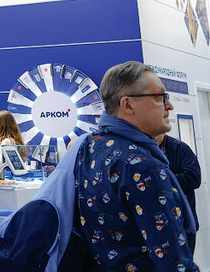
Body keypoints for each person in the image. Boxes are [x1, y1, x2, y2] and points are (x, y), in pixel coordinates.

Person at [76, 62, 196, 270]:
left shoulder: (90, 147)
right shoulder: (143, 167)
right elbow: (174, 262)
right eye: (159, 97)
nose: (169, 106)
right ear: (128, 105)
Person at [156, 131, 202, 249]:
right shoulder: (142, 150)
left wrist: (162, 180)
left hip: (183, 223)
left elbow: (194, 178)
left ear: (164, 131)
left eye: (156, 133)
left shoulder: (180, 148)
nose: (153, 137)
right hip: (157, 224)